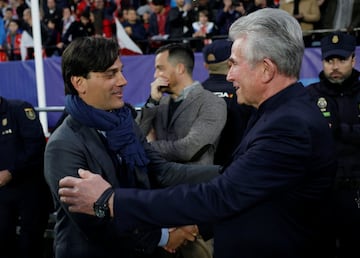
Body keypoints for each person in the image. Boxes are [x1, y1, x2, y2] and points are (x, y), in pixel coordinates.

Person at [58, 8, 337, 258]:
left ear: (266, 69)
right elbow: (239, 188)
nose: (228, 76)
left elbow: (221, 194)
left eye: (234, 64)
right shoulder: (276, 113)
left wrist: (111, 201)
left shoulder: (288, 124)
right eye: (110, 74)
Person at [44, 36, 221, 258]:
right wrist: (163, 236)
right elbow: (95, 223)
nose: (123, 81)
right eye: (111, 74)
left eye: (120, 71)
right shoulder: (63, 145)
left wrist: (227, 173)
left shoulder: (124, 124)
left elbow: (162, 172)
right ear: (79, 83)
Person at [306, 32, 360, 258]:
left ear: (353, 59)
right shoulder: (309, 96)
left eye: (341, 59)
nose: (335, 66)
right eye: (329, 60)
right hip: (322, 192)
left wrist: (339, 130)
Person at [137, 42, 227, 165]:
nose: (155, 75)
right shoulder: (159, 103)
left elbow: (189, 149)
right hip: (159, 181)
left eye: (160, 68)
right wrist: (152, 102)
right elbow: (136, 137)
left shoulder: (211, 102)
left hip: (194, 182)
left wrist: (147, 147)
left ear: (180, 68)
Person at [0, 96, 51, 258]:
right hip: (3, 193)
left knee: (30, 242)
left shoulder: (20, 110)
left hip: (29, 188)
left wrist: (11, 172)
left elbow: (36, 147)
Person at [201, 39, 253, 166]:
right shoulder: (246, 93)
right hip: (240, 166)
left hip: (202, 171)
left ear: (205, 66)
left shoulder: (194, 93)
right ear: (231, 63)